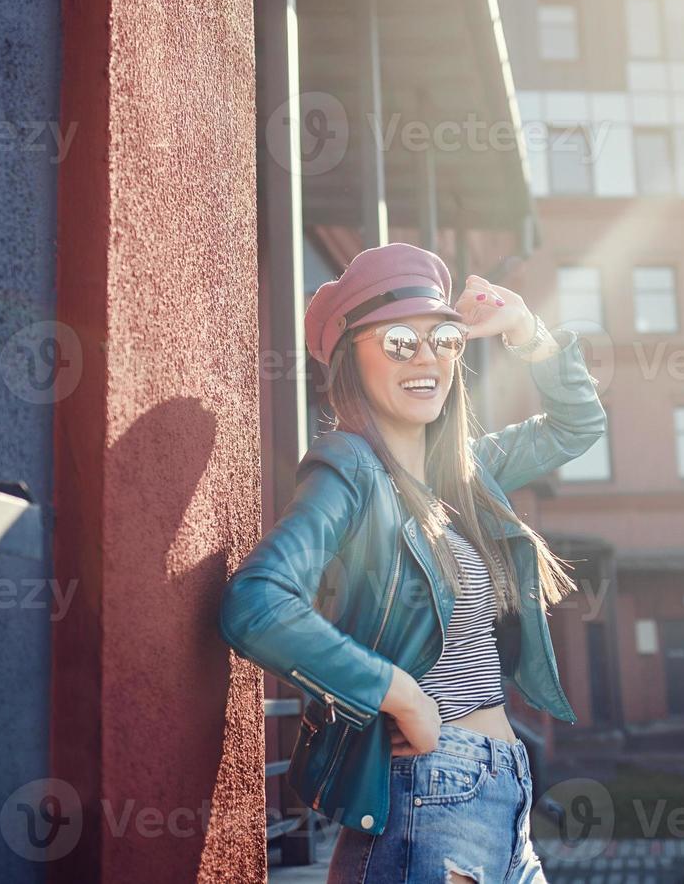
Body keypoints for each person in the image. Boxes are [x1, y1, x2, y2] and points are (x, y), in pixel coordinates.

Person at [219, 242, 608, 883]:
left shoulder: (467, 471)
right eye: (400, 340)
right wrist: (400, 695)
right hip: (428, 796)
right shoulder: (350, 471)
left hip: (504, 795)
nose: (427, 357)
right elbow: (256, 602)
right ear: (353, 355)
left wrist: (524, 328)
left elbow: (577, 425)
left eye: (445, 340)